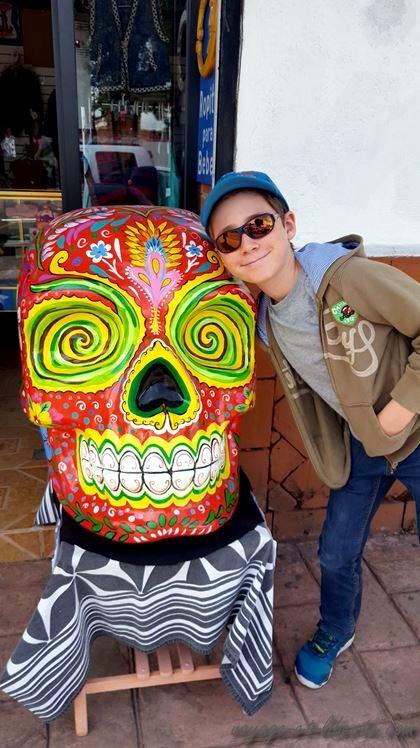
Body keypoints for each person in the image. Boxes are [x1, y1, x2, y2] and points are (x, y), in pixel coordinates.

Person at [200, 170, 420, 689]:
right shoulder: (266, 323)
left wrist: (400, 409)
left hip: (414, 432)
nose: (248, 244)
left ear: (289, 224)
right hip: (365, 447)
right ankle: (336, 629)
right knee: (335, 552)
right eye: (229, 240)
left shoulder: (347, 280)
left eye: (258, 225)